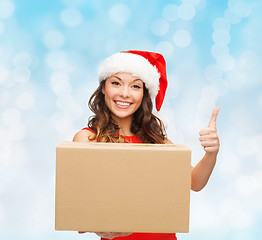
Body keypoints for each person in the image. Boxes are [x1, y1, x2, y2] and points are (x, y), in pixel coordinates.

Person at [73, 50, 220, 240]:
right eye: (116, 83)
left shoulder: (157, 140)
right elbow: (79, 204)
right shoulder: (88, 139)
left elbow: (195, 182)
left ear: (144, 94)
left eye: (135, 86)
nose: (124, 93)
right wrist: (101, 225)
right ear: (103, 88)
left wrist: (211, 153)